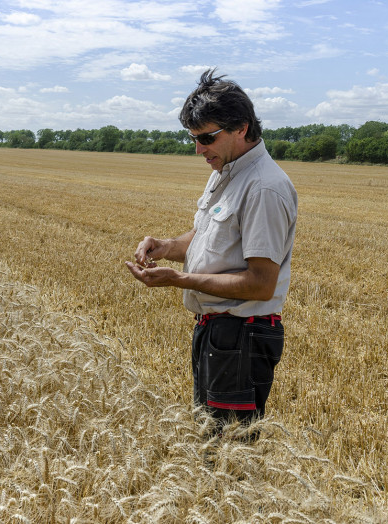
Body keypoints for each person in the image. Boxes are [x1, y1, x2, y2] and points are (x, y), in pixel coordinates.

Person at [125, 69, 297, 430]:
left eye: (207, 138)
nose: (199, 150)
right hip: (218, 334)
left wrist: (180, 279)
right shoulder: (225, 171)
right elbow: (207, 236)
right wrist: (165, 246)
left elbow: (260, 283)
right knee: (209, 440)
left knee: (229, 453)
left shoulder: (264, 188)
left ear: (242, 128)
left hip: (243, 336)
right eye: (193, 139)